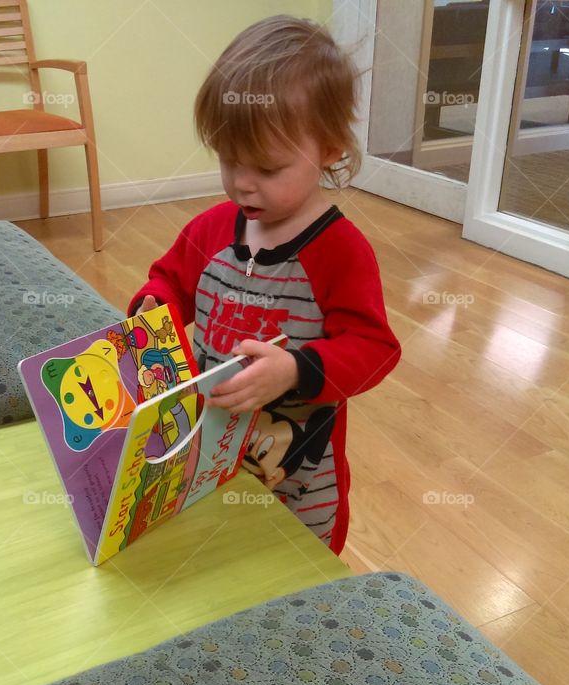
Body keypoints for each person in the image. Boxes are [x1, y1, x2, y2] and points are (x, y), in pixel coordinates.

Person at [128, 15, 401, 554]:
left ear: (328, 148)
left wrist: (297, 370)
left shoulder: (340, 252)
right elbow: (168, 282)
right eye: (230, 160)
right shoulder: (211, 229)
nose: (243, 182)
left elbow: (374, 349)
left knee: (285, 568)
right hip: (206, 448)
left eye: (269, 168)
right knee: (211, 554)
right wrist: (151, 313)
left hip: (293, 476)